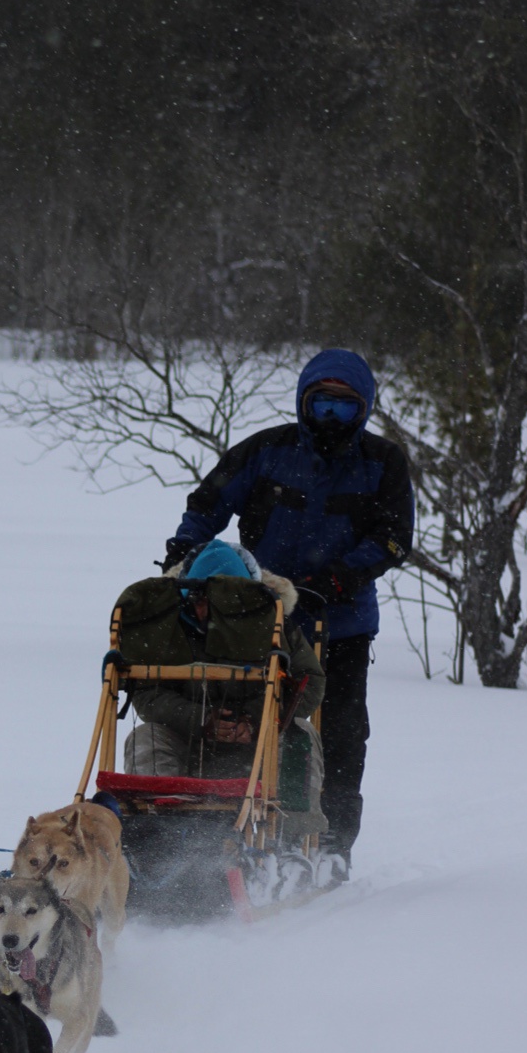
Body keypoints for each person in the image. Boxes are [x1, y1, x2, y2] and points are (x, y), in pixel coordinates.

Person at [162, 349, 414, 865]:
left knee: (340, 732)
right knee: (244, 719)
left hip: (341, 623)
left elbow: (394, 538)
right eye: (321, 404)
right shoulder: (266, 450)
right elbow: (209, 501)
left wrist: (337, 577)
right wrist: (183, 552)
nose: (330, 418)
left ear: (362, 410)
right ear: (304, 402)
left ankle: (331, 840)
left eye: (344, 408)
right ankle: (227, 824)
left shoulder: (382, 462)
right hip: (252, 617)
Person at [122, 540, 327, 829]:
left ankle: (289, 840)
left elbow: (309, 684)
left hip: (259, 745)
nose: (203, 612)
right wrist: (200, 719)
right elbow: (146, 693)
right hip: (189, 742)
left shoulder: (275, 625)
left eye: (214, 602)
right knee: (145, 738)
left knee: (300, 735)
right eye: (197, 601)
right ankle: (156, 833)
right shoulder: (166, 629)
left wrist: (254, 720)